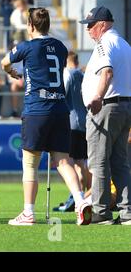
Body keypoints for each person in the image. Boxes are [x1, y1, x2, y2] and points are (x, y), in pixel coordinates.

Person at [1, 7, 91, 226]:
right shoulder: (61, 47)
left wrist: (12, 73)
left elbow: (5, 62)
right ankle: (80, 202)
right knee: (63, 160)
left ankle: (28, 213)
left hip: (37, 108)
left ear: (30, 26)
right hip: (60, 109)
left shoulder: (26, 46)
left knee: (30, 164)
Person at [79, 6, 131, 225]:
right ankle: (128, 211)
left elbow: (107, 71)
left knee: (99, 161)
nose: (88, 30)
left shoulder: (104, 43)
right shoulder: (125, 44)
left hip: (107, 107)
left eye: (90, 25)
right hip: (125, 106)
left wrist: (98, 97)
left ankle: (101, 211)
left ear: (101, 24)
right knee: (120, 162)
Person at [53, 51, 90, 212]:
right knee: (81, 162)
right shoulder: (83, 75)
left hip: (71, 122)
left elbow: (63, 94)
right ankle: (88, 196)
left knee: (70, 162)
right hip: (84, 122)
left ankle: (77, 197)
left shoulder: (67, 74)